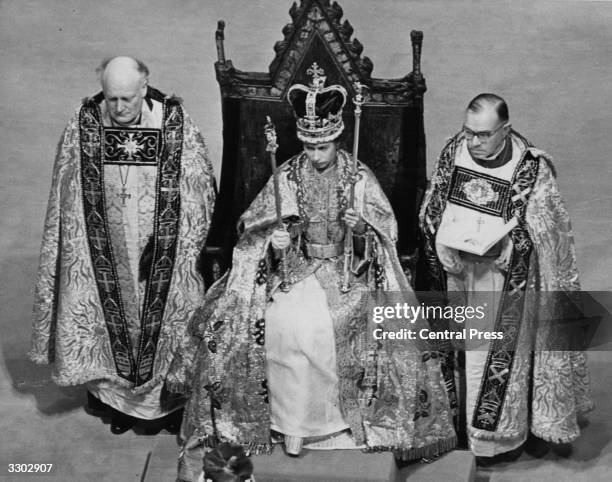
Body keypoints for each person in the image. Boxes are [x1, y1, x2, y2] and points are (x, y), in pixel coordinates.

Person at [175, 65, 456, 482]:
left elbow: (386, 232)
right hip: (299, 267)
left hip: (349, 273)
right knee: (280, 324)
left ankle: (338, 424)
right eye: (307, 146)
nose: (314, 155)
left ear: (338, 138)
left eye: (322, 147)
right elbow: (257, 224)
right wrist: (277, 240)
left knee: (326, 328)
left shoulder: (357, 175)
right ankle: (291, 427)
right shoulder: (288, 174)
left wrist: (361, 231)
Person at [29, 56, 217, 434]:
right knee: (107, 318)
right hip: (105, 255)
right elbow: (66, 202)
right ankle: (115, 404)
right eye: (111, 99)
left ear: (145, 87)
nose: (118, 108)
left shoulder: (176, 126)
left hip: (160, 255)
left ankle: (167, 406)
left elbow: (201, 197)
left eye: (127, 99)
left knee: (168, 323)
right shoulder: (83, 126)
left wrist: (170, 240)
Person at [419, 93, 593, 463]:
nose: (474, 143)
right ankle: (455, 426)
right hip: (458, 274)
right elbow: (433, 203)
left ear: (505, 129)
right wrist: (439, 234)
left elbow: (550, 229)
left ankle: (492, 441)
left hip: (503, 281)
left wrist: (515, 243)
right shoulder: (454, 151)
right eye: (469, 133)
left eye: (484, 135)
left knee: (489, 359)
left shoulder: (530, 168)